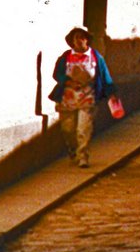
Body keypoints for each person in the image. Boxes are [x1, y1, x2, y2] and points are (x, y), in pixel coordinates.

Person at [49, 26, 116, 168]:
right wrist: (68, 81)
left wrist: (112, 94)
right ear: (72, 41)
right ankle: (73, 150)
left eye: (82, 37)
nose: (79, 41)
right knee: (68, 129)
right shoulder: (65, 57)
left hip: (87, 97)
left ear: (87, 40)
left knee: (83, 128)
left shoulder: (96, 57)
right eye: (76, 38)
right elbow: (57, 74)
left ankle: (83, 156)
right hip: (68, 98)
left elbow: (105, 77)